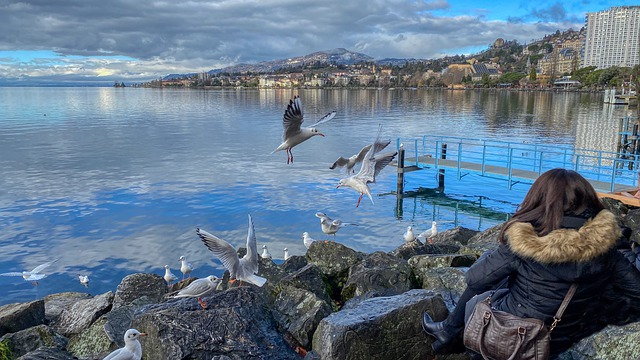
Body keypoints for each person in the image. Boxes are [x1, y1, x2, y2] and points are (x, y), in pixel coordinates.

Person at [422, 168, 640, 357]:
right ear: (587, 201)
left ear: (540, 200)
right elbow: (636, 292)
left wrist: (496, 253)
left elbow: (475, 279)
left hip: (516, 335)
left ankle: (448, 331)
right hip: (568, 335)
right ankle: (447, 331)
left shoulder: (527, 243)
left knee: (479, 298)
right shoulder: (607, 248)